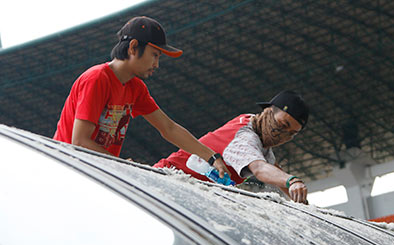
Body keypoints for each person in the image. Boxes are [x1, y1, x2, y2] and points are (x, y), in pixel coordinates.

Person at [53, 16, 228, 177]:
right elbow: (79, 141)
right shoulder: (97, 79)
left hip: (97, 173)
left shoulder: (135, 88)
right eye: (154, 55)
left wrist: (211, 157)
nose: (156, 65)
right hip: (67, 171)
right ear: (133, 47)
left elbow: (169, 128)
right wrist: (120, 165)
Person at [154, 90, 309, 204]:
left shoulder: (251, 121)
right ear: (267, 112)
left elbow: (272, 167)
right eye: (282, 125)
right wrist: (292, 181)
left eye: (291, 134)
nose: (283, 134)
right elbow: (260, 169)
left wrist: (306, 206)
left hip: (190, 195)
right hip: (165, 183)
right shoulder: (244, 138)